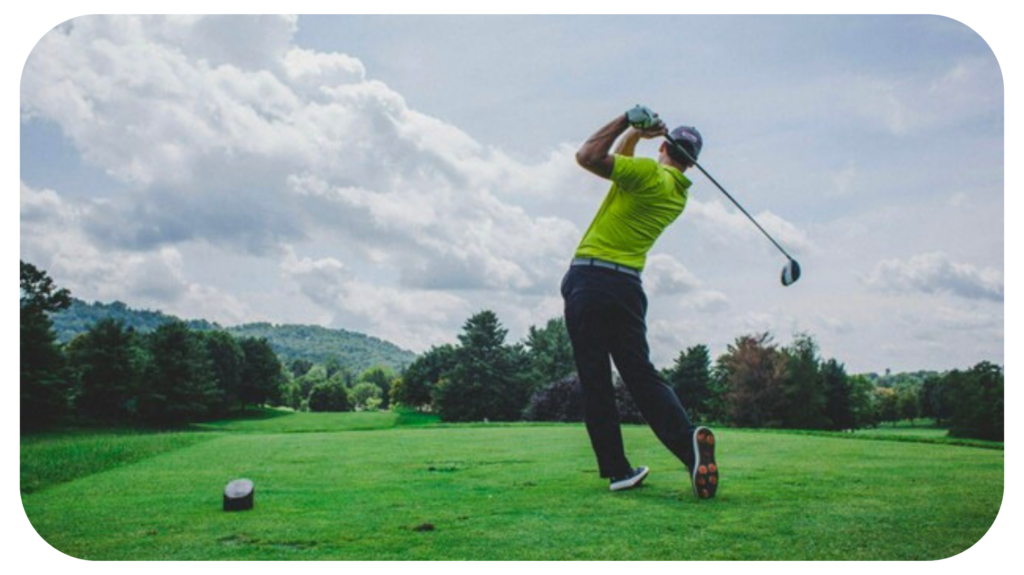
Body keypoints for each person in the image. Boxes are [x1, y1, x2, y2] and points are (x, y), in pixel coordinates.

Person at [561, 105, 718, 498]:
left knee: (596, 379)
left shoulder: (648, 174)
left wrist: (624, 121)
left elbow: (588, 157)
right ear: (692, 165)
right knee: (641, 375)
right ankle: (689, 449)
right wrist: (637, 136)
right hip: (628, 288)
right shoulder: (675, 193)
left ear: (664, 147)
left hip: (591, 280)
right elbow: (624, 163)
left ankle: (617, 470)